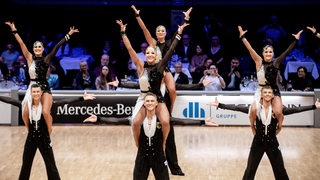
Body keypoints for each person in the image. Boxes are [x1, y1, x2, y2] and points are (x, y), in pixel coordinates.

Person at [84, 92, 216, 179]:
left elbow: (182, 121)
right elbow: (118, 120)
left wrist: (203, 122)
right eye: (147, 101)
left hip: (159, 157)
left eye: (152, 101)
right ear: (144, 104)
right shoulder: (137, 120)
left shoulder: (163, 119)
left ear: (157, 103)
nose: (150, 103)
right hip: (142, 157)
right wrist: (99, 119)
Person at [208, 85, 320, 180]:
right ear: (261, 95)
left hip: (272, 144)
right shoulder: (255, 108)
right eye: (265, 92)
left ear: (272, 95)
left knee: (280, 172)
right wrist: (220, 105)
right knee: (249, 171)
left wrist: (314, 106)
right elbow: (237, 108)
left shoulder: (278, 109)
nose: (267, 94)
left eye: (269, 92)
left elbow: (296, 110)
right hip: (258, 143)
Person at [116, 19, 188, 150]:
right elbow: (129, 48)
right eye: (147, 53)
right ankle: (139, 146)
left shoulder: (161, 66)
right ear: (145, 54)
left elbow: (171, 48)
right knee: (135, 122)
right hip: (143, 97)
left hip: (157, 97)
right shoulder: (140, 65)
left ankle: (163, 143)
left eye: (152, 53)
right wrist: (123, 33)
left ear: (156, 55)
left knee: (166, 121)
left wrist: (179, 33)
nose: (149, 54)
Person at [0, 84, 96, 180]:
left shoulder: (47, 106)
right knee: (26, 165)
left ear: (41, 93)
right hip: (31, 139)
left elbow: (65, 102)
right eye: (34, 92)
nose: (36, 94)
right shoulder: (26, 106)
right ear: (31, 93)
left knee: (51, 166)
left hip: (44, 139)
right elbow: (11, 101)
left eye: (38, 91)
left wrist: (82, 98)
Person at [5, 21, 79, 135]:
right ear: (33, 49)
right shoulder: (29, 58)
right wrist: (14, 30)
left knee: (45, 112)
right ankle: (31, 133)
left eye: (40, 47)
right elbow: (21, 43)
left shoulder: (47, 59)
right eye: (36, 47)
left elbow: (57, 46)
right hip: (32, 87)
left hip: (44, 87)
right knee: (25, 113)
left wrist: (68, 34)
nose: (37, 48)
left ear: (43, 49)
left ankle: (49, 132)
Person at [238, 25, 303, 135]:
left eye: (270, 52)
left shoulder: (276, 62)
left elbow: (287, 52)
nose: (268, 54)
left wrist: (295, 40)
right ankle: (252, 126)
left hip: (273, 89)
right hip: (261, 89)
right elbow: (250, 49)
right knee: (253, 110)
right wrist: (242, 37)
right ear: (263, 54)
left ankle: (280, 126)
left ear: (273, 54)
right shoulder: (258, 61)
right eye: (266, 52)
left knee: (278, 112)